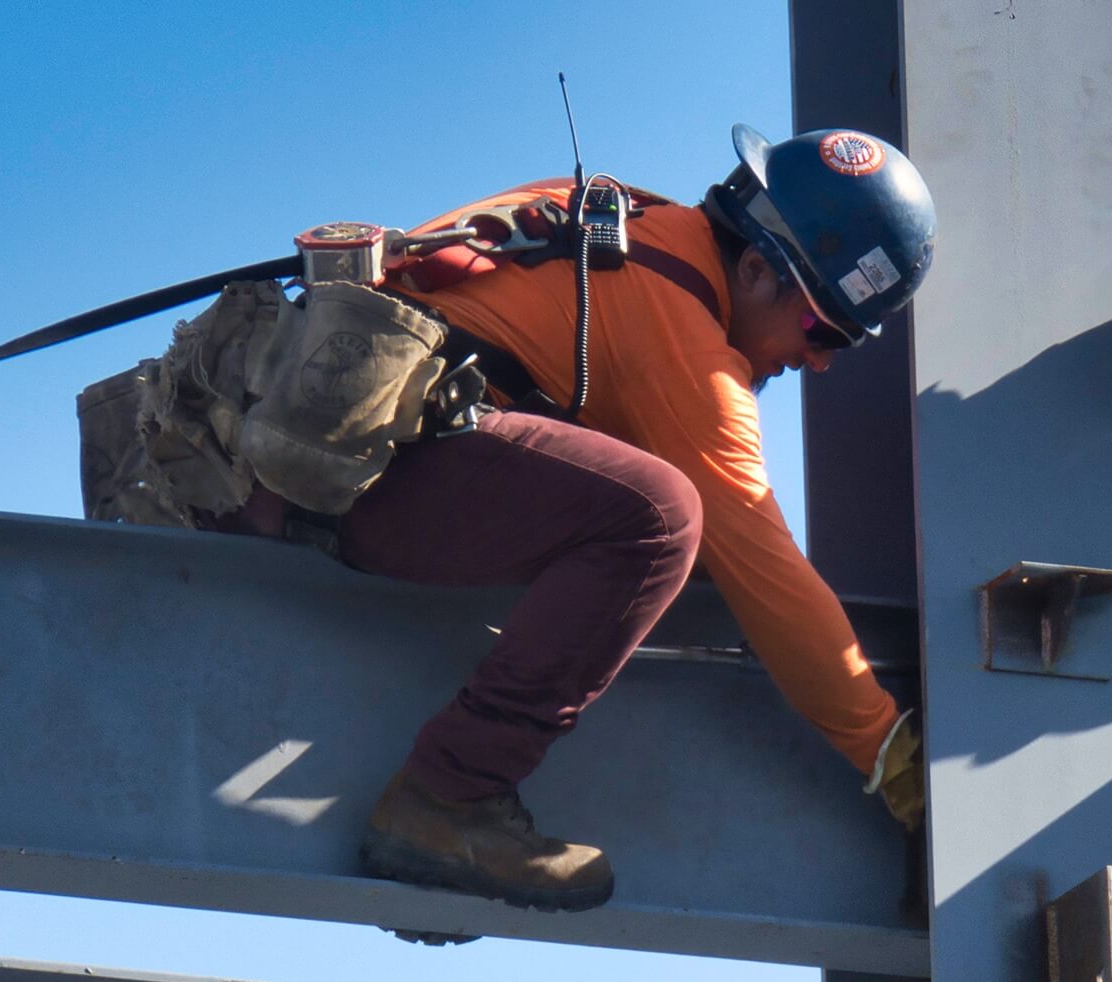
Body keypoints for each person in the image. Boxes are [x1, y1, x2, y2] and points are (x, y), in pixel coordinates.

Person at [79, 125, 935, 915]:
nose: (817, 362)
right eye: (822, 326)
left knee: (665, 530)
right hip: (342, 477)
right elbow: (761, 556)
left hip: (253, 449)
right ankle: (448, 800)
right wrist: (886, 750)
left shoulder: (625, 219)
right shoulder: (686, 346)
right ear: (756, 270)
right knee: (663, 519)